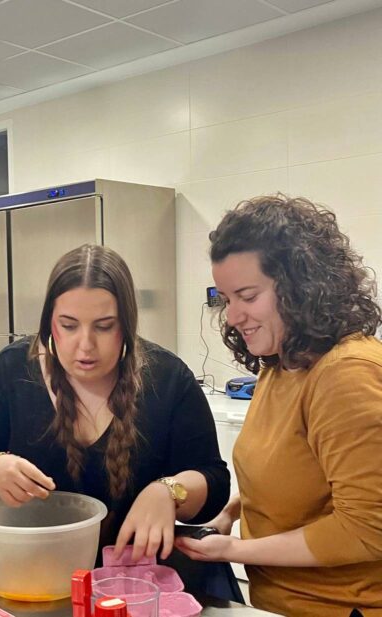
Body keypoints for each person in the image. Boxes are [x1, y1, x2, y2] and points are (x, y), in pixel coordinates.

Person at [0, 244, 230, 562]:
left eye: (104, 326)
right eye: (68, 325)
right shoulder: (12, 371)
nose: (85, 345)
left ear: (127, 323)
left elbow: (214, 483)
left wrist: (169, 491)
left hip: (135, 578)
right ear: (49, 322)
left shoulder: (168, 378)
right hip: (34, 572)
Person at [176, 195, 382, 616]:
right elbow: (292, 482)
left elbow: (368, 528)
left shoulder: (346, 373)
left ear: (300, 286)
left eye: (247, 296)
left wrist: (235, 549)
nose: (232, 316)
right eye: (227, 298)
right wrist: (228, 516)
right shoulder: (282, 364)